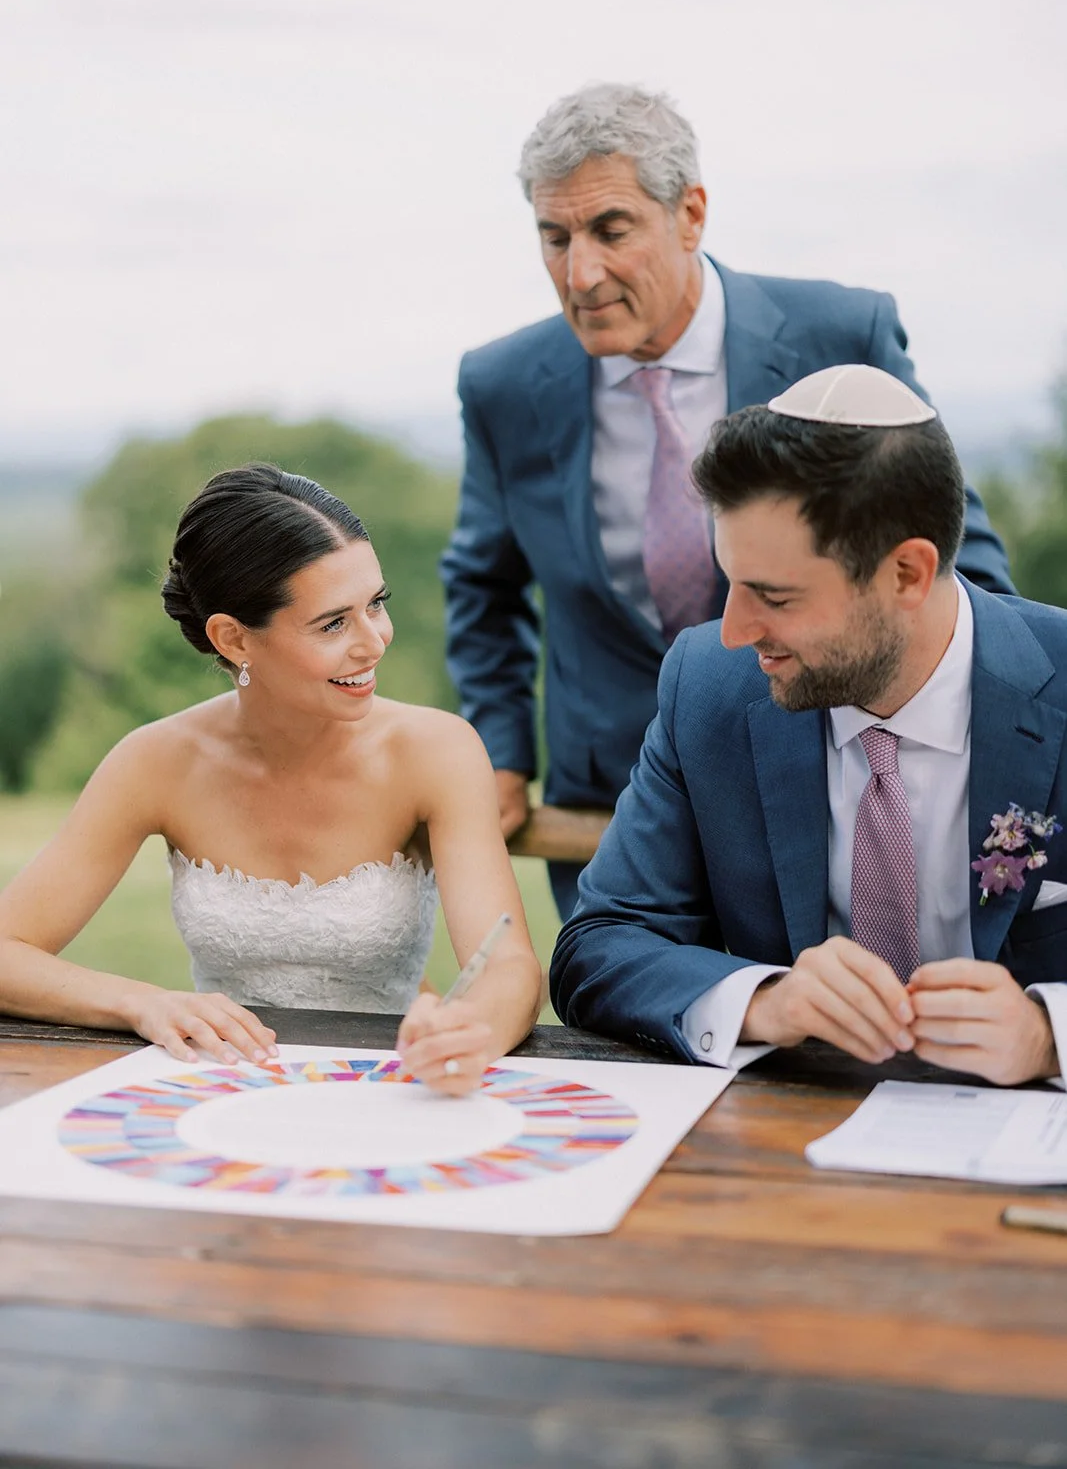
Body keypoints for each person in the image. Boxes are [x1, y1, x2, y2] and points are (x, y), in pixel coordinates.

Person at [440, 83, 1014, 920]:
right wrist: (498, 751)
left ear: (691, 213)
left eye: (609, 230)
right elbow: (481, 587)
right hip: (609, 808)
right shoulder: (499, 383)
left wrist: (990, 741)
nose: (579, 272)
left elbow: (951, 552)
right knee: (639, 1017)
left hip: (827, 776)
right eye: (553, 235)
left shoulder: (839, 335)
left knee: (816, 1031)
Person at [550, 366, 1066, 1088]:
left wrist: (1047, 1036)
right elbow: (598, 945)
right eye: (728, 581)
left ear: (907, 574)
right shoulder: (709, 687)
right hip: (786, 1148)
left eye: (773, 596)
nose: (732, 632)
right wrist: (767, 1000)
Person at [0, 464, 542, 1096]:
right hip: (221, 1091)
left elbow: (508, 966)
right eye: (334, 623)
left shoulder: (437, 751)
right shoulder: (154, 761)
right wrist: (140, 1003)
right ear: (233, 638)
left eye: (377, 605)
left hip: (387, 1088)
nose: (375, 642)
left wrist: (470, 1027)